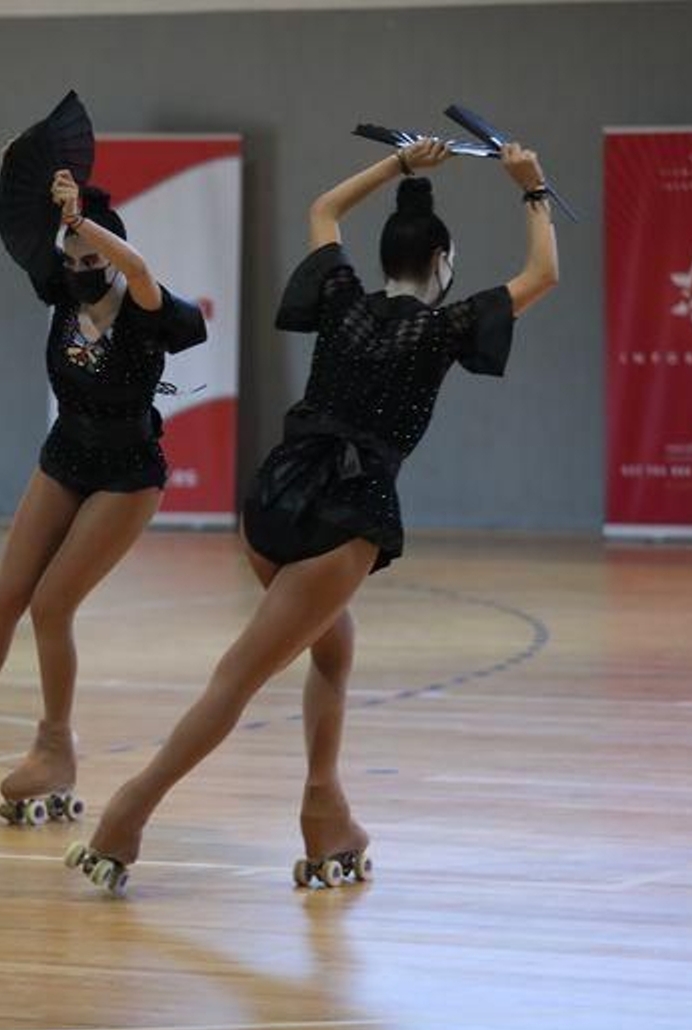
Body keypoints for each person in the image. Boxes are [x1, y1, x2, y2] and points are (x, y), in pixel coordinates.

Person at [66, 140, 560, 894]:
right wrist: (533, 190)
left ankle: (325, 810)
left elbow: (324, 209)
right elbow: (544, 276)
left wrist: (398, 168)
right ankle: (126, 814)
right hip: (344, 513)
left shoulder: (342, 298)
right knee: (237, 679)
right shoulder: (440, 328)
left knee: (332, 653)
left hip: (272, 500)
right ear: (443, 262)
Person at [0, 167, 207, 826]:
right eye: (73, 259)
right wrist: (61, 220)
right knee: (6, 596)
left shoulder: (146, 303)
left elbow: (135, 265)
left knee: (50, 605)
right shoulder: (63, 299)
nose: (83, 267)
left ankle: (55, 746)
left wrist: (84, 225)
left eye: (94, 256)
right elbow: (51, 256)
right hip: (66, 455)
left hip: (128, 472)